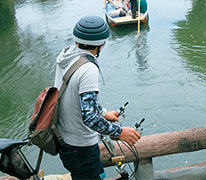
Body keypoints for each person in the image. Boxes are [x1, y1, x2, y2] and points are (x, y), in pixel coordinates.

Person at [54, 16, 141, 180]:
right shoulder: (88, 69)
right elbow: (89, 116)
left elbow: (75, 99)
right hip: (80, 147)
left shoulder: (67, 57)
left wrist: (104, 113)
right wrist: (119, 132)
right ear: (101, 44)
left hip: (66, 142)